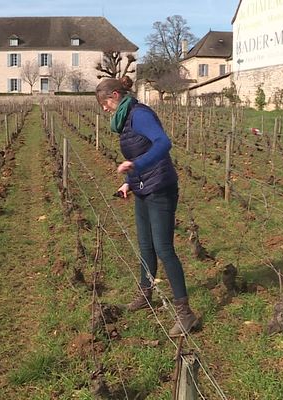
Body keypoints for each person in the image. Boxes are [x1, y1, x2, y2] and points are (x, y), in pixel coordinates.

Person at [95, 76, 200, 336]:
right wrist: (129, 182)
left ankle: (186, 313)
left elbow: (163, 143)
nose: (104, 109)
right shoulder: (125, 118)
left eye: (104, 103)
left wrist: (136, 167)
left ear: (115, 96)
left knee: (164, 248)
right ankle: (146, 293)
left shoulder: (140, 114)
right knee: (145, 245)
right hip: (142, 187)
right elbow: (136, 154)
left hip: (160, 187)